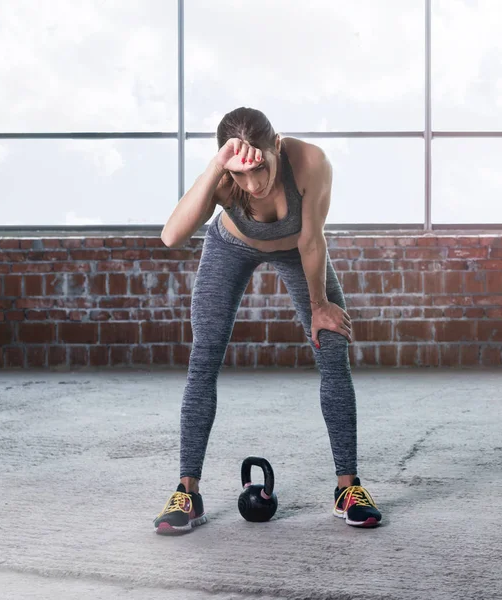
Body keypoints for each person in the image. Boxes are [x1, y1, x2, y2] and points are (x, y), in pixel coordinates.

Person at [153, 107, 382, 534]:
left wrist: (319, 307)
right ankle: (188, 491)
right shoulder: (224, 177)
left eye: (264, 173)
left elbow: (312, 238)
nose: (255, 187)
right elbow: (171, 236)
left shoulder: (311, 162)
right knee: (204, 356)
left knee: (332, 344)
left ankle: (347, 488)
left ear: (276, 145)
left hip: (298, 250)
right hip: (231, 246)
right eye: (243, 178)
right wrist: (216, 167)